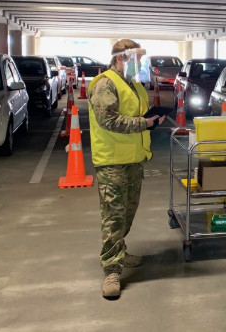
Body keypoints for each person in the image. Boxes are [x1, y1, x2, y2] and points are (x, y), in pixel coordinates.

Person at [88, 39, 165, 299]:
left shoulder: (132, 83)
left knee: (128, 211)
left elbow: (138, 115)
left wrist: (152, 119)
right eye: (137, 59)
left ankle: (119, 251)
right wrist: (143, 123)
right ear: (121, 58)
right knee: (113, 216)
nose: (140, 63)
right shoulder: (105, 83)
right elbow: (107, 118)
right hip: (112, 161)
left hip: (133, 159)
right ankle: (111, 269)